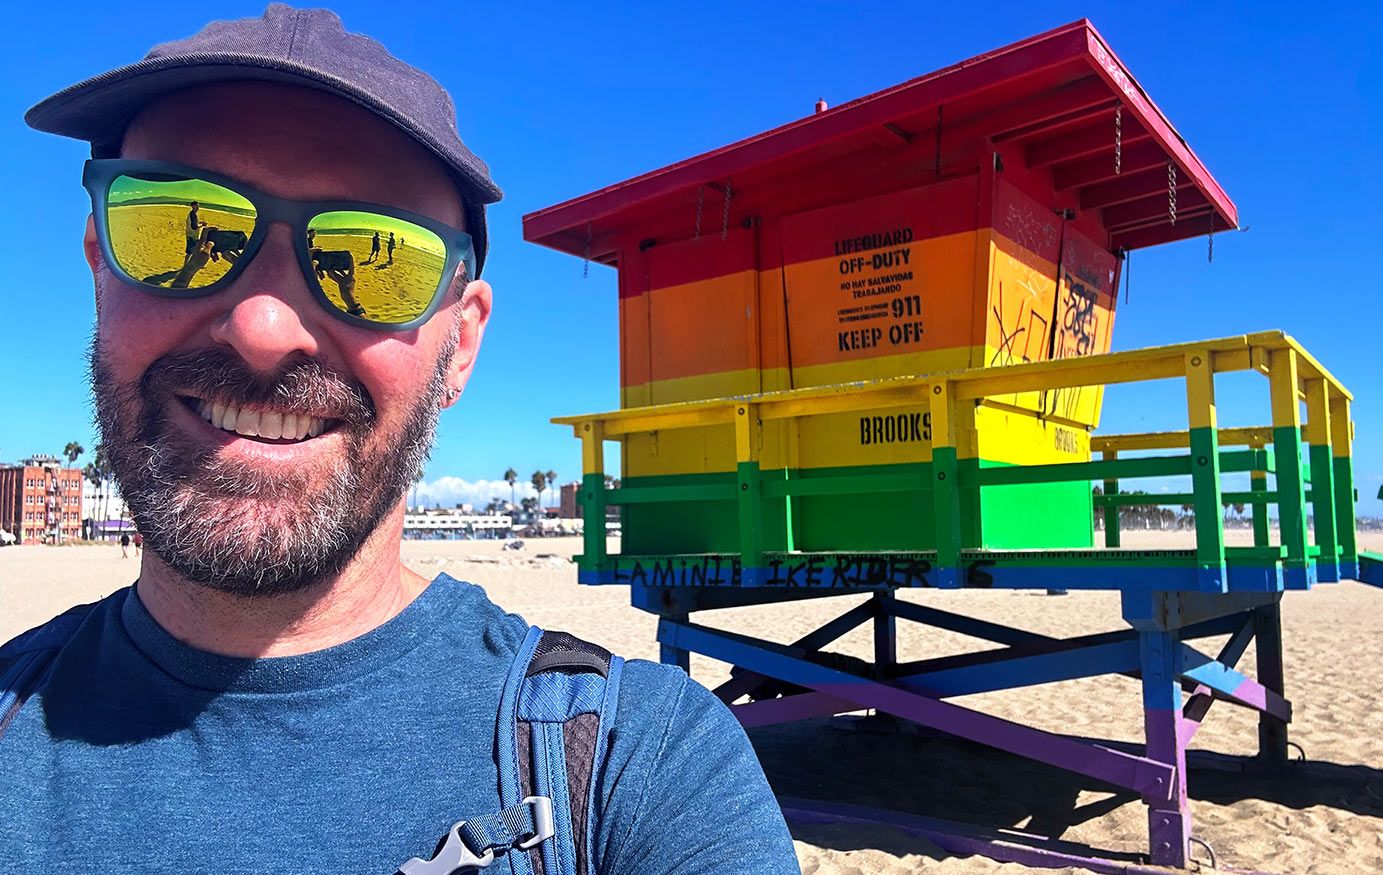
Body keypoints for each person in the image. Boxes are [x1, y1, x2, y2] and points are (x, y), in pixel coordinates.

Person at [3, 5, 799, 874]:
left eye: (374, 257)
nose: (264, 326)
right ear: (98, 262)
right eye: (179, 227)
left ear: (458, 347)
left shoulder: (633, 771)